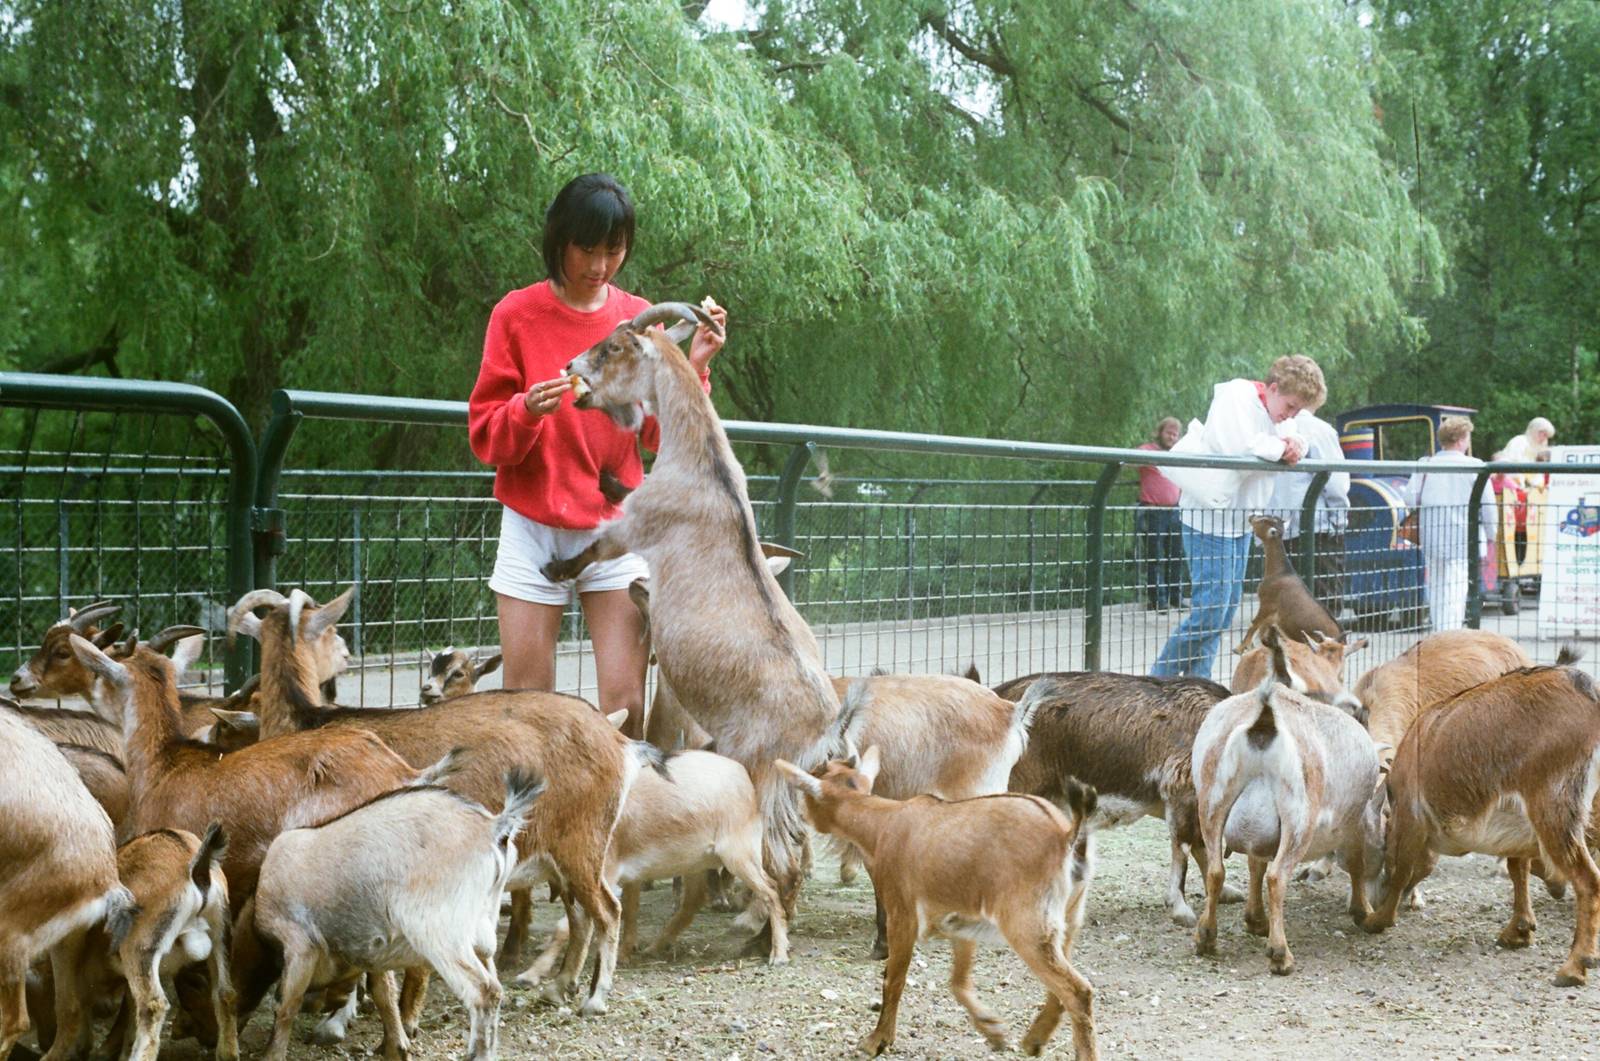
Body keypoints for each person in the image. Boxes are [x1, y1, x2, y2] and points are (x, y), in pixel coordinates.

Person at [467, 173, 727, 737]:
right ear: (559, 240)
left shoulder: (641, 321)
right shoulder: (515, 315)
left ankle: (620, 820)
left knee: (625, 705)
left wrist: (697, 367)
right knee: (527, 710)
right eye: (587, 248)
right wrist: (526, 411)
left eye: (614, 250)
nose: (600, 264)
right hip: (533, 527)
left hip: (614, 528)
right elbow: (486, 436)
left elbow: (663, 437)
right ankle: (536, 824)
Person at [1150, 355, 1324, 680]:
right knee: (1211, 611)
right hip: (1210, 518)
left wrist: (1292, 442)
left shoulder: (1278, 416)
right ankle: (1157, 679)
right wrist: (1281, 447)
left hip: (1239, 522)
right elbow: (1240, 447)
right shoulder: (1235, 397)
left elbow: (1296, 436)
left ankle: (1197, 683)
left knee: (1223, 610)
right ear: (1272, 388)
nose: (1290, 414)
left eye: (1296, 409)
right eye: (1289, 405)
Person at [1405, 416, 1494, 633]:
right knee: (1456, 589)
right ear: (1462, 439)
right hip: (1465, 537)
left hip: (1432, 535)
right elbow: (1489, 507)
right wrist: (1492, 535)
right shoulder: (1475, 466)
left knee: (1436, 587)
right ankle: (1450, 635)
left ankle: (1439, 631)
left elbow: (1410, 498)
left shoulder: (1425, 465)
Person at [1265, 408, 1351, 616]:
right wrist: (1340, 522)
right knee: (1324, 608)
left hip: (1276, 531)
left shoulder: (1267, 427)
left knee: (1285, 609)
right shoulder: (1320, 430)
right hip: (1317, 531)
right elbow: (1336, 483)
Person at [1135, 417, 1184, 610]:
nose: (1171, 437)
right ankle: (1158, 600)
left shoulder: (1179, 454)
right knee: (1155, 556)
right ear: (1160, 433)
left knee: (1176, 555)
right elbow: (1127, 461)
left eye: (1175, 434)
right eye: (1168, 433)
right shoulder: (1147, 450)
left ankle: (1176, 597)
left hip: (1175, 511)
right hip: (1153, 511)